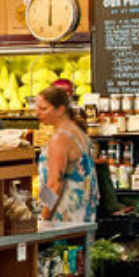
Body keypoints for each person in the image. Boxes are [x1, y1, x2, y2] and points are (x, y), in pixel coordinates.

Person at [33, 86, 97, 223]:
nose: (37, 113)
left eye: (43, 109)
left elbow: (54, 184)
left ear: (60, 110)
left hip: (63, 214)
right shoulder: (76, 130)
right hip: (81, 211)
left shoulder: (59, 138)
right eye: (36, 108)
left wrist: (43, 217)